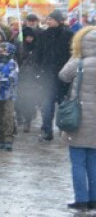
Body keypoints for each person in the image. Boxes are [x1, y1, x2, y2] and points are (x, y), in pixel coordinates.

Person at [58, 27, 96, 210]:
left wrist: (75, 57)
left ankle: (81, 199)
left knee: (78, 162)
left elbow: (63, 76)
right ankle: (94, 198)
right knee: (94, 161)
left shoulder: (78, 63)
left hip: (79, 118)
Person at [36, 10, 74, 140]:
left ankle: (65, 130)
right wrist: (39, 70)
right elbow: (39, 54)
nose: (48, 21)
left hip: (64, 76)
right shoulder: (43, 35)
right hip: (47, 75)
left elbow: (73, 55)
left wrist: (70, 72)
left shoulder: (69, 35)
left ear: (59, 21)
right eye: (48, 19)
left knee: (64, 105)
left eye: (51, 19)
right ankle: (46, 130)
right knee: (47, 104)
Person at [0, 42, 19, 151]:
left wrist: (0, 80)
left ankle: (8, 139)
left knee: (8, 116)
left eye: (3, 50)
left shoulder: (12, 63)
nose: (0, 52)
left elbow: (13, 79)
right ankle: (1, 137)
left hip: (8, 94)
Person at [15, 26, 41, 132]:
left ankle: (27, 120)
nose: (29, 39)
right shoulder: (19, 47)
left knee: (29, 100)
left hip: (32, 78)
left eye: (31, 37)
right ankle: (20, 115)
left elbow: (39, 61)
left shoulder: (37, 48)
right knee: (19, 99)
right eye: (27, 37)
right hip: (20, 77)